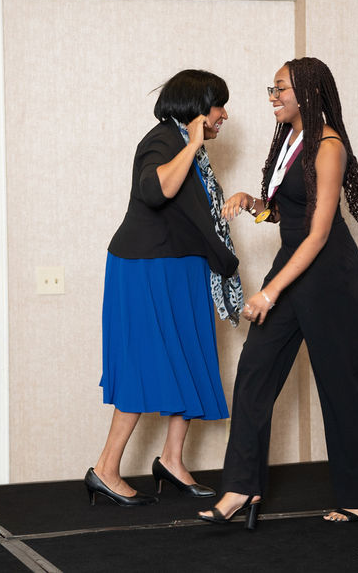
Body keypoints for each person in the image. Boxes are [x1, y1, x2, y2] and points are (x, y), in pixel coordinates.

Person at [198, 57, 358, 529]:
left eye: (280, 88)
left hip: (328, 273)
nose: (273, 97)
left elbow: (318, 234)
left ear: (308, 92)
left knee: (338, 384)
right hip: (294, 263)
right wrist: (254, 204)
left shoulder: (329, 145)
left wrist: (270, 292)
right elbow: (289, 213)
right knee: (254, 371)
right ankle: (242, 486)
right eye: (272, 89)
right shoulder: (290, 139)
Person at [86, 69, 242, 507]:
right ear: (197, 109)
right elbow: (156, 191)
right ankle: (105, 470)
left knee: (190, 358)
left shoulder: (191, 149)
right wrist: (192, 143)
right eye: (218, 106)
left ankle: (172, 459)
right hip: (146, 267)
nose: (224, 115)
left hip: (182, 266)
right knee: (142, 364)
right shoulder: (162, 141)